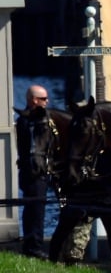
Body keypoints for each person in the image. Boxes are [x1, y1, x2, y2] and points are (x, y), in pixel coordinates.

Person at [15, 85, 50, 259]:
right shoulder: (29, 121)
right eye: (44, 99)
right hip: (33, 171)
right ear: (34, 100)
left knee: (33, 208)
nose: (47, 102)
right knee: (35, 208)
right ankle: (34, 246)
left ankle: (31, 244)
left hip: (30, 171)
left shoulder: (25, 119)